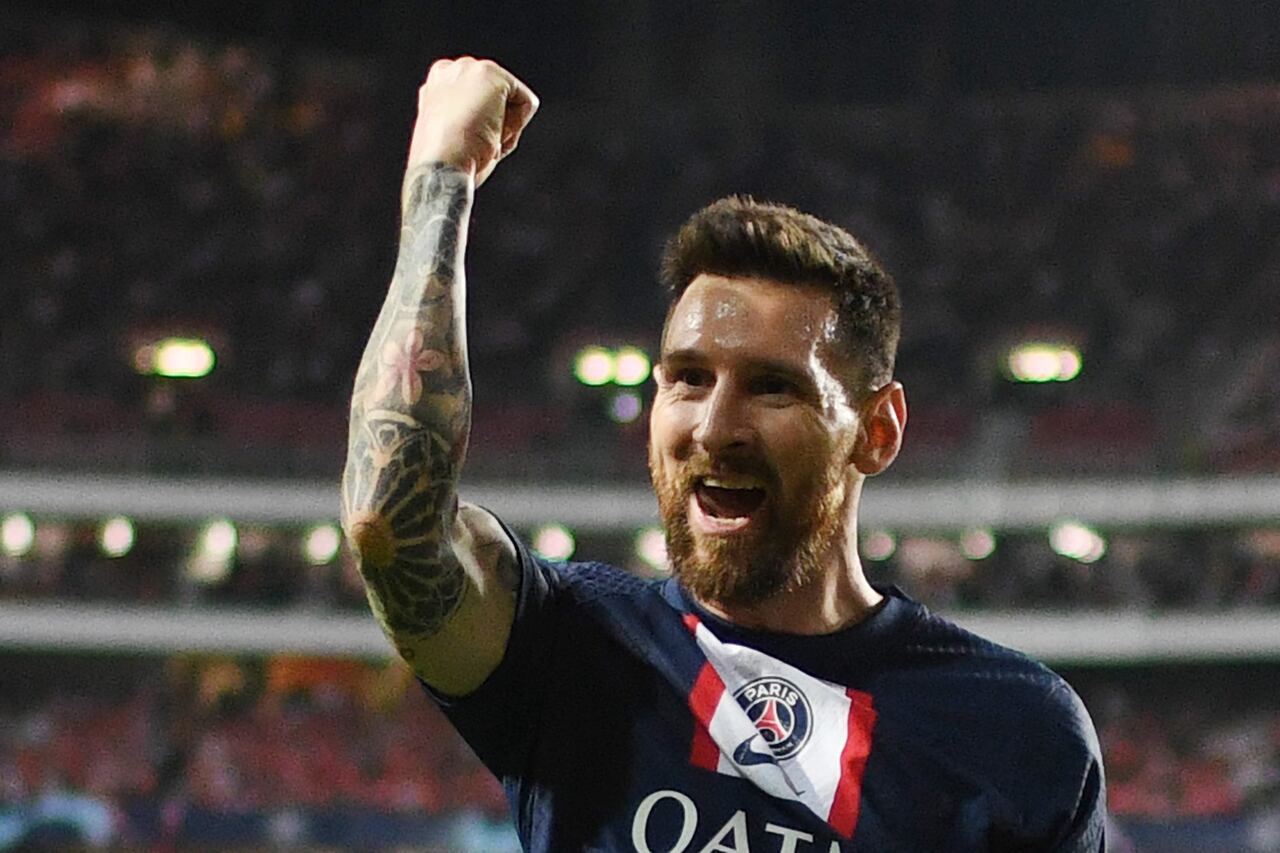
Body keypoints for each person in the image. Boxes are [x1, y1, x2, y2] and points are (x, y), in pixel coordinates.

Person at [341, 57, 1106, 852]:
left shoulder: (1018, 731)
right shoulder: (574, 649)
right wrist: (441, 179)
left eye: (772, 387)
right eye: (689, 378)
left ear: (878, 431)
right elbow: (390, 523)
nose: (714, 426)